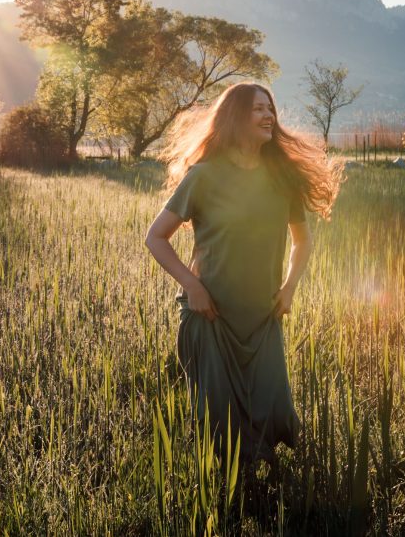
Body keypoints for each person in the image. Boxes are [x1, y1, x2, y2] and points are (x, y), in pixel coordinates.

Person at [144, 82, 343, 465]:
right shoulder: (203, 177)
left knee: (273, 414)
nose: (270, 116)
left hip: (261, 318)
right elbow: (155, 237)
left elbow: (302, 241)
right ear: (236, 117)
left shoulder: (281, 177)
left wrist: (288, 289)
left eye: (271, 108)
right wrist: (192, 286)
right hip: (211, 317)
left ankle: (271, 498)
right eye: (258, 109)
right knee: (220, 429)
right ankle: (231, 504)